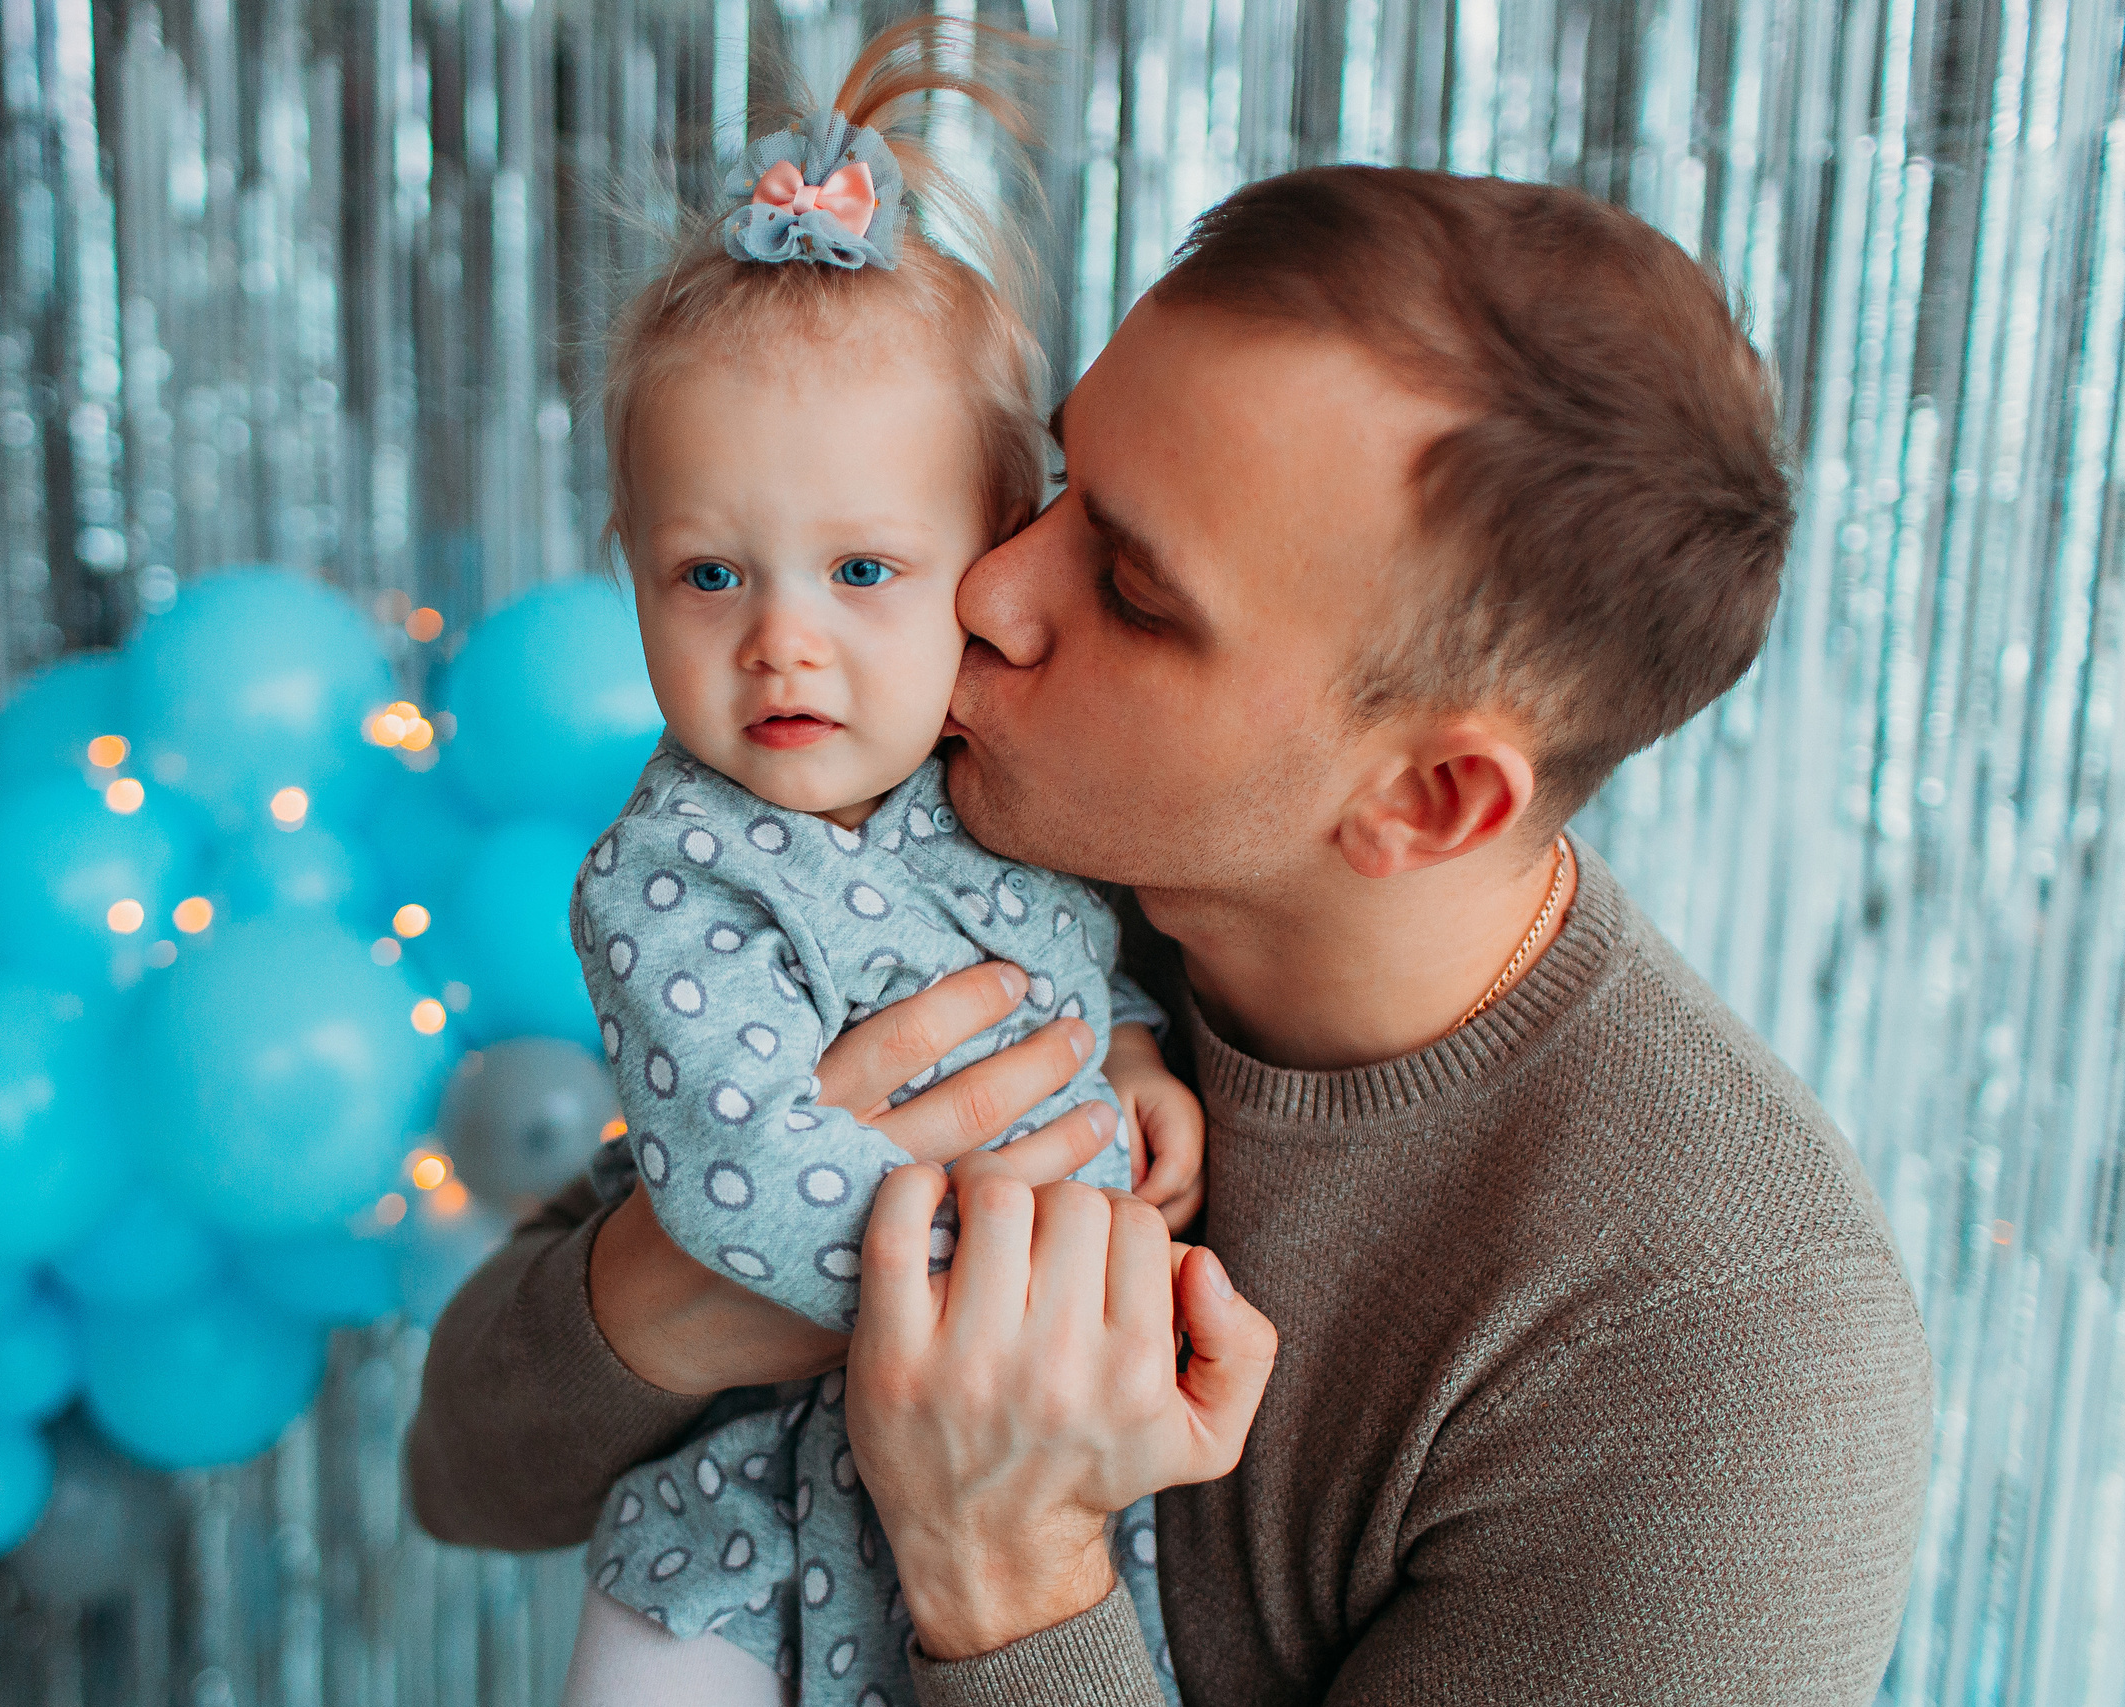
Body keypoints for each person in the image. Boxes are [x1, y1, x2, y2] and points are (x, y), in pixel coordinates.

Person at [409, 163, 1937, 1705]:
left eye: (1131, 589)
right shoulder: (953, 831)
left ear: (1426, 800)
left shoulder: (1727, 1366)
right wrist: (682, 1290)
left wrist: (1001, 1569)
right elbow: (464, 1473)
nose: (991, 587)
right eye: (1053, 486)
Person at [555, 23, 1201, 1706]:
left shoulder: (999, 790)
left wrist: (1129, 1051)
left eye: (860, 569)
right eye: (708, 577)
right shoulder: (671, 872)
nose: (784, 646)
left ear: (990, 566)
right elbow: (745, 1178)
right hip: (748, 1539)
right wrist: (1059, 1244)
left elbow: (1077, 964)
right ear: (628, 567)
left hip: (1010, 1498)